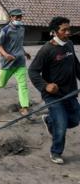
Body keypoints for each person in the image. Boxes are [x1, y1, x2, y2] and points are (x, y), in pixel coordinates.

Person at [28, 16, 80, 164]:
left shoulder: (69, 45)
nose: (68, 32)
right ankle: (56, 152)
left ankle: (50, 121)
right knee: (61, 124)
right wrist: (46, 86)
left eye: (69, 29)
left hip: (70, 92)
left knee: (75, 119)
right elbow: (32, 71)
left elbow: (76, 65)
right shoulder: (47, 50)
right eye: (64, 30)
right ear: (54, 32)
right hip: (53, 95)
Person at [0, 9, 31, 116]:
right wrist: (6, 55)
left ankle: (24, 107)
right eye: (16, 17)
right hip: (8, 63)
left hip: (20, 61)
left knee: (23, 84)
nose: (19, 19)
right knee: (2, 83)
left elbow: (19, 44)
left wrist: (25, 53)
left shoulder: (22, 28)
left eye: (20, 17)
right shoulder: (5, 30)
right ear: (11, 18)